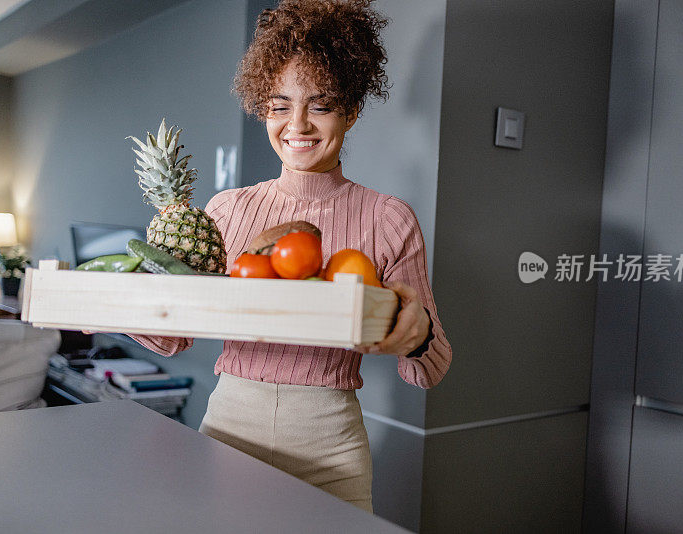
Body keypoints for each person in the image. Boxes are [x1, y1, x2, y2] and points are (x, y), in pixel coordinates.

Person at [129, 0, 451, 513]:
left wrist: (418, 339)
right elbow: (171, 334)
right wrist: (121, 308)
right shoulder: (227, 211)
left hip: (333, 451)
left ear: (351, 107)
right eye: (280, 106)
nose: (296, 125)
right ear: (263, 108)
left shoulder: (389, 218)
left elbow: (430, 368)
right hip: (228, 431)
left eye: (319, 105)